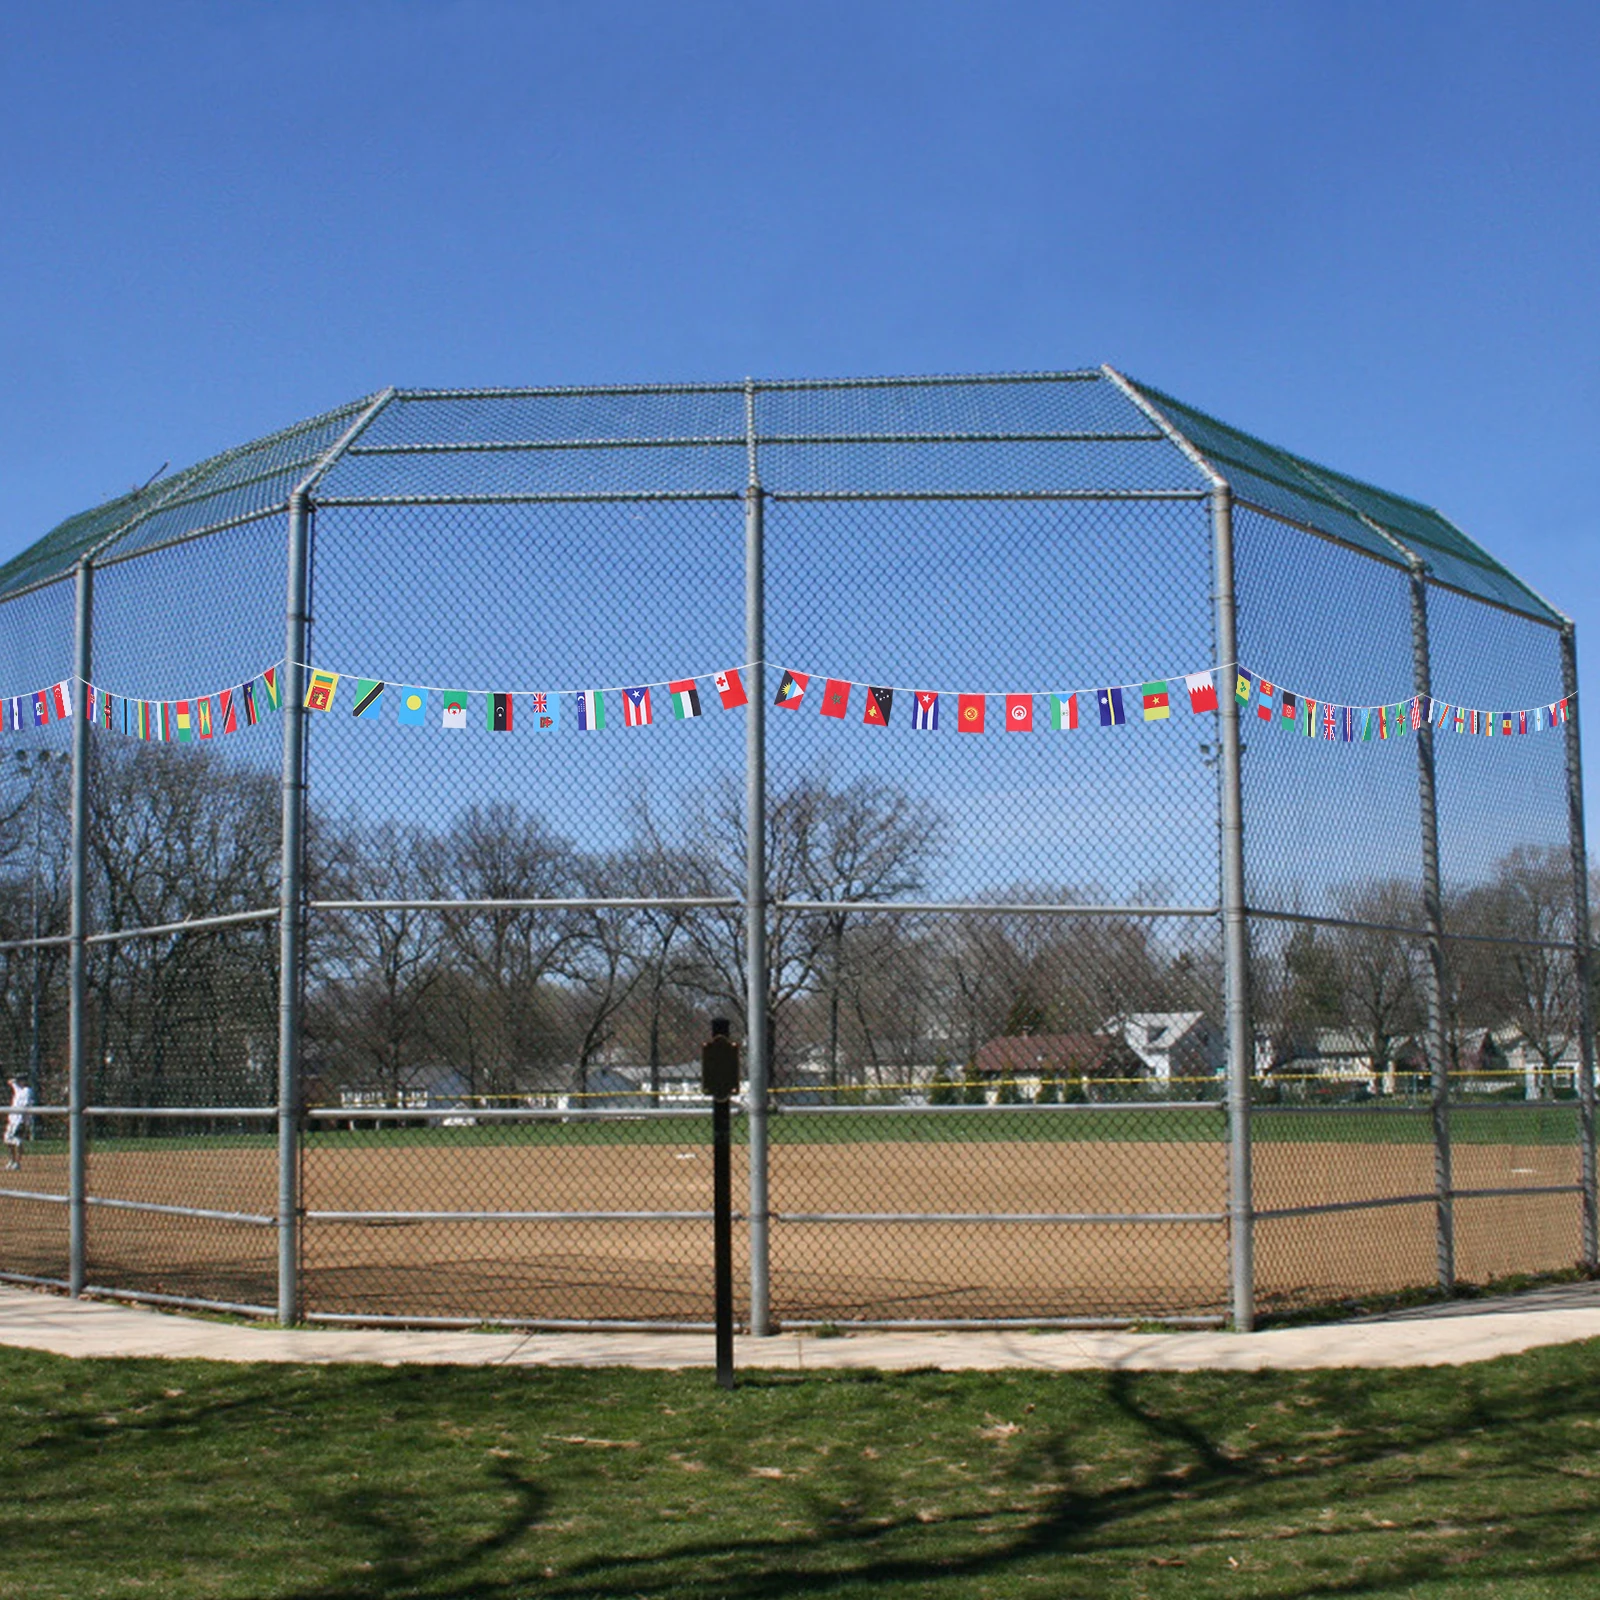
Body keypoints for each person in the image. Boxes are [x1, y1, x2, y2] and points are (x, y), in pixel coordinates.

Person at [4, 1078, 33, 1169]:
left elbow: (26, 1105)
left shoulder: (27, 1091)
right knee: (7, 1140)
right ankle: (12, 1160)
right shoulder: (18, 1089)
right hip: (12, 1120)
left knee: (18, 1141)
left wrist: (25, 1122)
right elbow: (11, 1082)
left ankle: (17, 1162)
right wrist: (12, 1081)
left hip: (20, 1120)